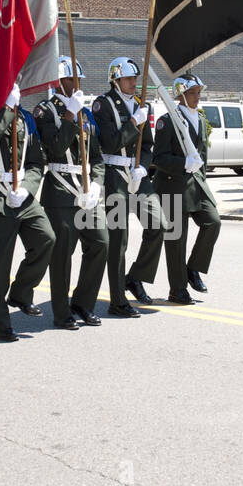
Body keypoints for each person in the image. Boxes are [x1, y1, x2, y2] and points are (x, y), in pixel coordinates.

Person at [0, 82, 55, 341]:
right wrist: (7, 107)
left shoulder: (26, 117)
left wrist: (28, 188)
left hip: (22, 194)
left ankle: (21, 292)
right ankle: (0, 321)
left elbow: (35, 161)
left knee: (46, 239)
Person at [36, 58, 108, 329]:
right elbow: (54, 148)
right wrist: (69, 115)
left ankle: (83, 303)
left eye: (79, 80)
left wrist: (98, 184)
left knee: (101, 243)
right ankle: (61, 311)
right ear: (58, 82)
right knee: (62, 254)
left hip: (87, 190)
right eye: (71, 80)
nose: (77, 85)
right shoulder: (46, 111)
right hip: (60, 192)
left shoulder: (86, 113)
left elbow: (97, 157)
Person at [92, 56, 159, 318]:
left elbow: (149, 145)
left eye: (135, 78)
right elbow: (109, 143)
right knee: (118, 240)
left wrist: (143, 165)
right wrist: (133, 123)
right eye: (129, 78)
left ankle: (135, 277)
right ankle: (117, 301)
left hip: (137, 175)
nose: (134, 82)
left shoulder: (142, 105)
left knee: (160, 224)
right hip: (114, 176)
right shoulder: (103, 104)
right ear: (116, 80)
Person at [153, 73, 221, 305]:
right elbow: (159, 158)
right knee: (176, 240)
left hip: (197, 185)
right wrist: (183, 163)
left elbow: (202, 155)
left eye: (199, 92)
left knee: (213, 222)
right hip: (172, 186)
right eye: (192, 93)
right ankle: (177, 289)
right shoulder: (168, 120)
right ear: (180, 96)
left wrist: (202, 177)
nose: (197, 97)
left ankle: (193, 268)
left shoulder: (200, 119)